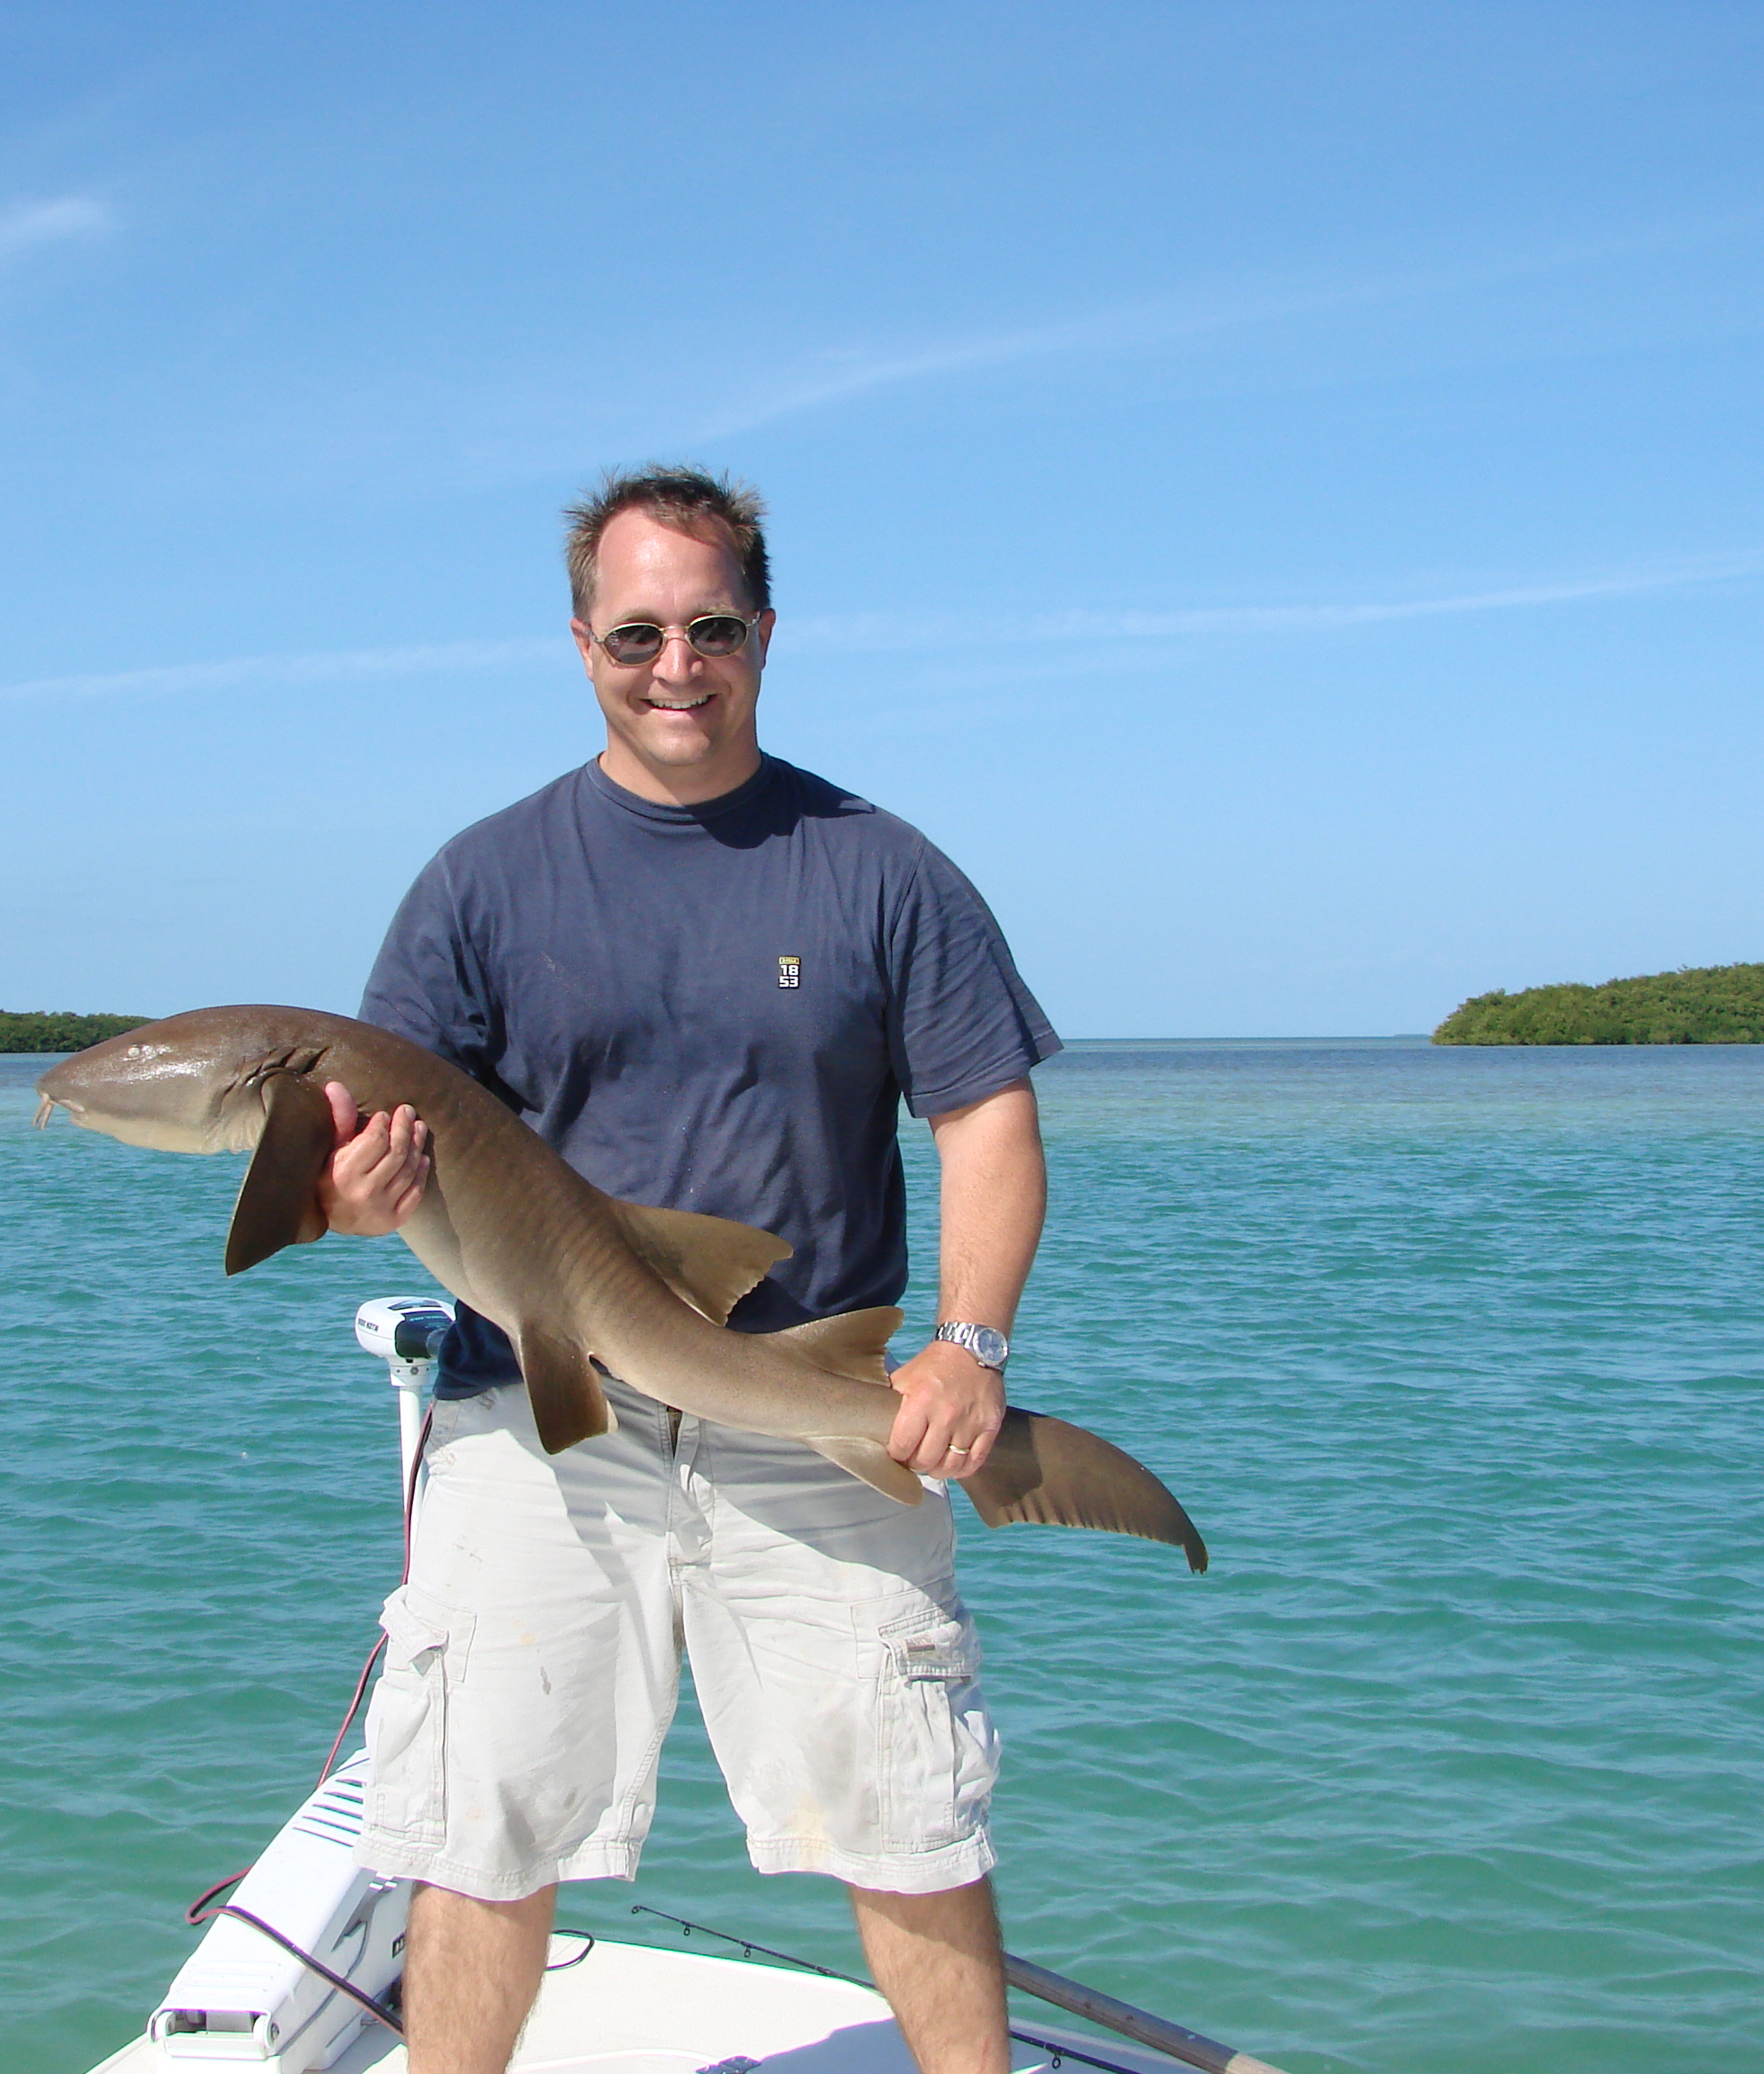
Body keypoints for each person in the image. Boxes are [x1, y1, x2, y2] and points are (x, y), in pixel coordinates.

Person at [316, 467, 1059, 2074]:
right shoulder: (483, 880)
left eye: (711, 627)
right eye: (637, 630)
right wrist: (362, 1197)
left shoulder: (878, 867)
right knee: (482, 1824)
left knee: (908, 1816)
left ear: (767, 635)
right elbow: (383, 1144)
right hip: (540, 1413)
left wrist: (970, 1346)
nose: (676, 663)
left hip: (801, 1404)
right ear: (580, 641)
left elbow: (988, 1121)